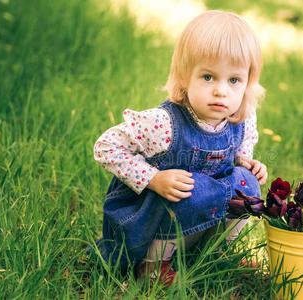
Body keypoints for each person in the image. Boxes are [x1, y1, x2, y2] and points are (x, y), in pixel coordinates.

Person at [93, 10, 267, 285]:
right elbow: (106, 147)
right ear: (185, 77)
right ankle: (152, 267)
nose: (221, 91)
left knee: (246, 186)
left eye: (234, 80)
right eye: (208, 77)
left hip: (200, 214)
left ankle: (217, 251)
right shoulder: (164, 123)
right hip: (154, 219)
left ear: (247, 84)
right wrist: (153, 179)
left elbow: (244, 143)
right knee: (188, 188)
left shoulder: (241, 116)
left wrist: (246, 162)